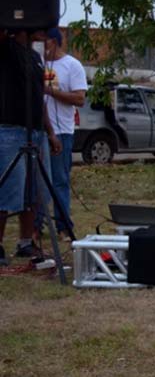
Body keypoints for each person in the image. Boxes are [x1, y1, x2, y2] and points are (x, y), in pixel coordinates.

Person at [0, 29, 61, 265]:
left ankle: (26, 242)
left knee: (34, 192)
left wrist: (50, 131)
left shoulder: (35, 57)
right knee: (8, 190)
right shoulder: (7, 49)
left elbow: (39, 98)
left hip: (36, 132)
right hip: (11, 129)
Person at [38, 27, 87, 237]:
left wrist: (51, 91)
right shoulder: (37, 63)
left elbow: (79, 99)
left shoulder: (72, 65)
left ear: (54, 42)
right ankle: (36, 226)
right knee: (38, 182)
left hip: (62, 131)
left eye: (43, 42)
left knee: (59, 180)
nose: (40, 46)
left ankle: (63, 226)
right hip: (38, 131)